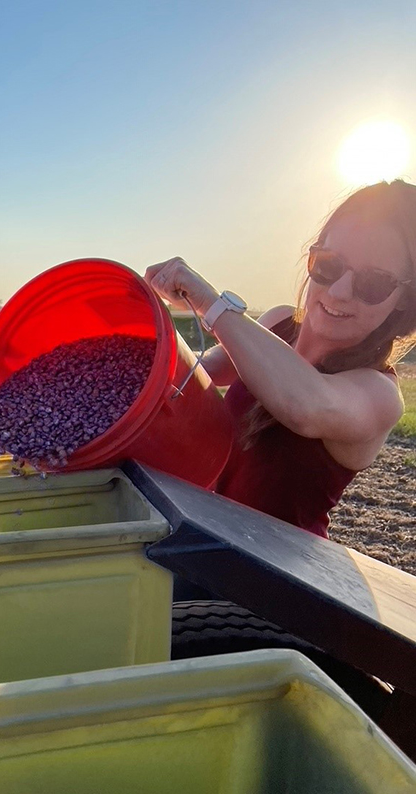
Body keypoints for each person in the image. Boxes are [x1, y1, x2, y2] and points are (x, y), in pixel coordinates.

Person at [145, 179, 416, 538]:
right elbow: (198, 371)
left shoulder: (379, 394)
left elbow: (304, 405)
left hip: (272, 577)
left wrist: (210, 302)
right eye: (329, 265)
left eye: (373, 282)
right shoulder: (277, 323)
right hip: (201, 536)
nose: (338, 291)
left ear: (403, 297)